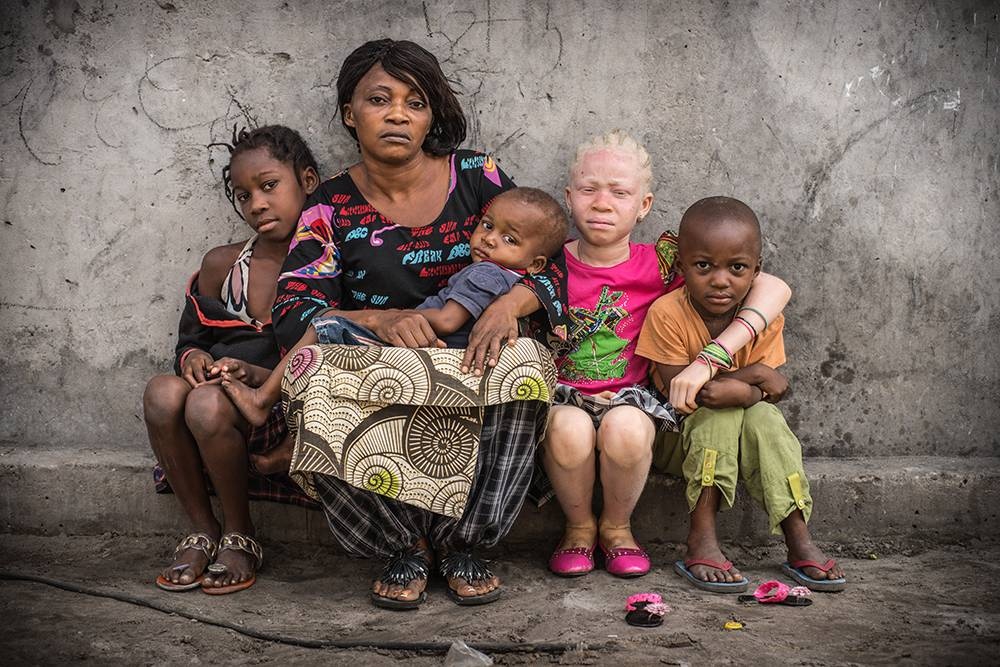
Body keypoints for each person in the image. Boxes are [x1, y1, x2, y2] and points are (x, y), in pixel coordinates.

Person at [269, 39, 569, 610]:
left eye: (416, 101)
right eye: (380, 99)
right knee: (307, 380)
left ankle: (465, 544)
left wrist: (509, 306)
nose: (399, 114)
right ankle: (401, 545)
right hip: (378, 360)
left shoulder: (476, 175)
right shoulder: (327, 205)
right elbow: (294, 310)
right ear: (349, 114)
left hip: (472, 357)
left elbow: (550, 264)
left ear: (432, 114)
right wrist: (378, 318)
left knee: (527, 366)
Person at [541, 132, 793, 579]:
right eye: (588, 189)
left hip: (633, 398)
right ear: (568, 197)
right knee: (567, 427)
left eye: (619, 192)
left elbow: (773, 287)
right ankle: (579, 529)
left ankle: (618, 530)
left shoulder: (661, 262)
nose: (602, 203)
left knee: (625, 427)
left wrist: (713, 355)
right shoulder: (547, 262)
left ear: (644, 205)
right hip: (563, 395)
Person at [216, 187, 568, 428]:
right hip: (427, 358)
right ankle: (274, 382)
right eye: (487, 226)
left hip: (424, 354)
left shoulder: (486, 274)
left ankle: (263, 399)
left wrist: (392, 317)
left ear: (536, 264)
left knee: (326, 325)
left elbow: (447, 320)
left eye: (509, 239)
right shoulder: (499, 274)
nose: (489, 239)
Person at [636, 196, 847, 592]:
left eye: (737, 268)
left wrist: (751, 394)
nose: (720, 280)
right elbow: (693, 395)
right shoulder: (667, 313)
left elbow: (768, 396)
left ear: (756, 271)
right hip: (674, 439)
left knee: (766, 419)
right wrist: (752, 377)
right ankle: (701, 536)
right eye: (703, 266)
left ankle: (798, 535)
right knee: (721, 412)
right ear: (681, 267)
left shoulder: (764, 317)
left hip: (738, 431)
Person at [143, 125, 320, 595]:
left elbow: (329, 347)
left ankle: (240, 533)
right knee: (162, 392)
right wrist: (195, 356)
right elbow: (190, 337)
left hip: (275, 403)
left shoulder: (325, 262)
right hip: (215, 387)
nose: (256, 204)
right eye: (243, 196)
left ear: (308, 180)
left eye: (268, 186)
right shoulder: (224, 264)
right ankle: (202, 529)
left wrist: (254, 375)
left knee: (205, 404)